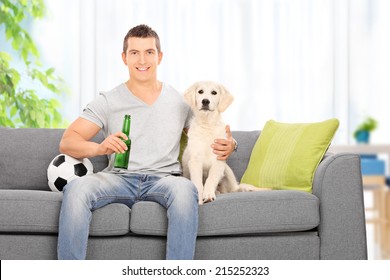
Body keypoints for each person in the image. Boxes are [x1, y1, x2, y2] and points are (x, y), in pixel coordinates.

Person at [57, 24, 236, 260]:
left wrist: (232, 146)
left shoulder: (180, 101)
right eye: (134, 53)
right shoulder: (107, 101)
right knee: (77, 188)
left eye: (149, 52)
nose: (142, 59)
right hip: (117, 178)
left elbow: (209, 130)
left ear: (159, 57)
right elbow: (68, 141)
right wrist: (100, 148)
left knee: (185, 190)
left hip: (165, 180)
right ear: (124, 58)